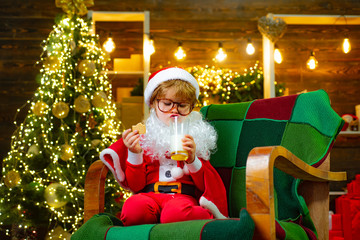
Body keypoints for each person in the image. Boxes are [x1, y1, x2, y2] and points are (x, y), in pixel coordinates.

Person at [100, 67, 228, 226]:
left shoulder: (195, 136)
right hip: (149, 196)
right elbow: (135, 186)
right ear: (153, 104)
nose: (174, 111)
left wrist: (192, 159)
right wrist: (134, 153)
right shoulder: (143, 135)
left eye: (182, 105)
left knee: (175, 213)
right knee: (133, 208)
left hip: (181, 198)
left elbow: (204, 185)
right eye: (167, 103)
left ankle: (206, 217)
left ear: (190, 107)